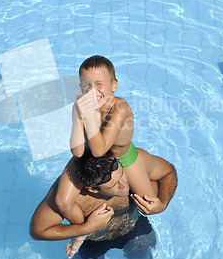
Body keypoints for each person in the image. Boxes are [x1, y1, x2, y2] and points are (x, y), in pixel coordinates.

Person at [30, 148, 177, 259]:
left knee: (143, 254)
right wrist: (86, 228)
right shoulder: (75, 198)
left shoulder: (133, 165)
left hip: (133, 226)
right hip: (93, 240)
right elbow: (38, 231)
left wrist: (162, 203)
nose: (123, 186)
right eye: (114, 185)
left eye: (121, 175)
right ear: (92, 189)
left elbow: (168, 172)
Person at [55, 55, 162, 228]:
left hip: (122, 157)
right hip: (89, 159)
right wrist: (78, 116)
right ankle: (86, 230)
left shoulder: (120, 107)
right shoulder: (80, 105)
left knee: (148, 204)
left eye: (99, 84)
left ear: (114, 85)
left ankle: (150, 178)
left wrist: (88, 116)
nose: (93, 91)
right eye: (86, 85)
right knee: (62, 203)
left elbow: (100, 150)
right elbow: (77, 151)